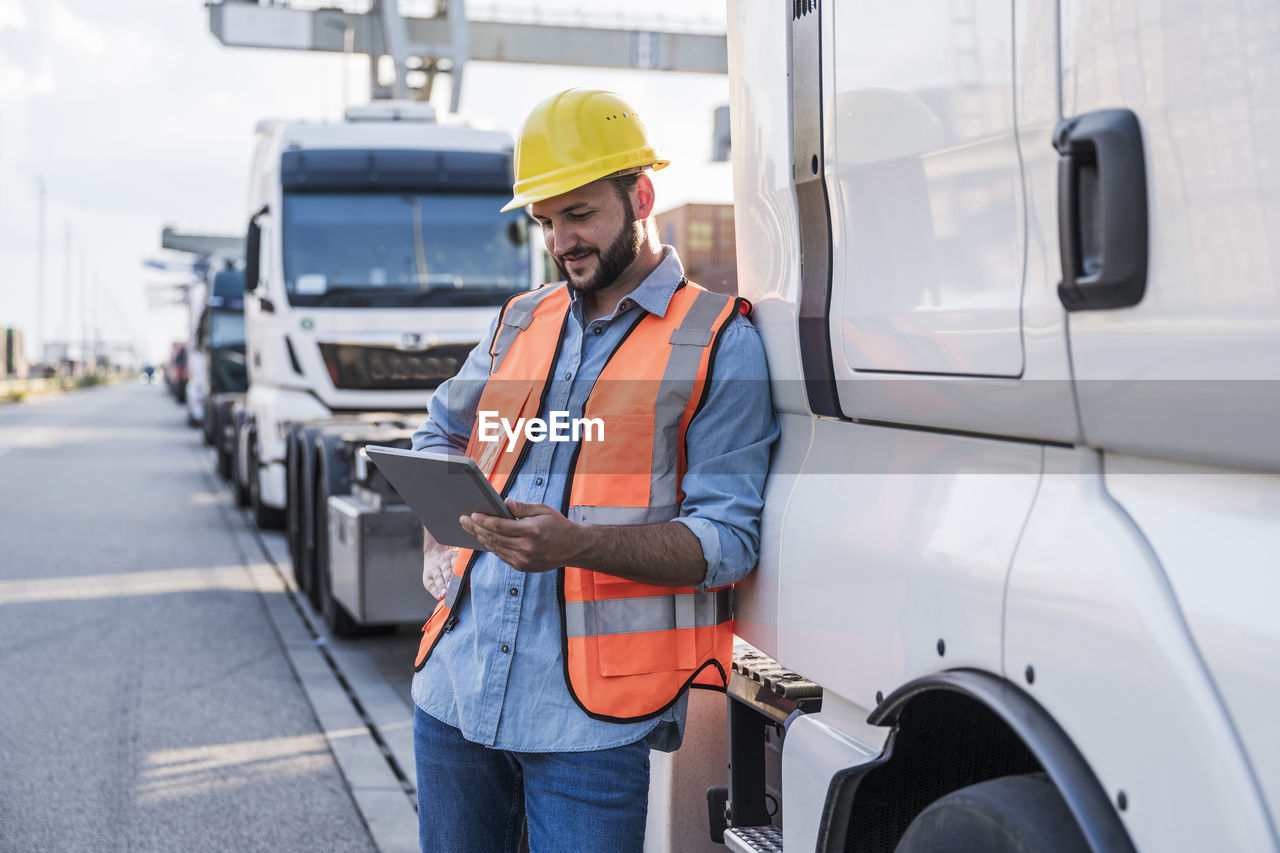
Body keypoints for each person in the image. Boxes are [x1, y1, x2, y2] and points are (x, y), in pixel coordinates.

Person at [409, 88, 777, 853]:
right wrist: (439, 533)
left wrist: (575, 544)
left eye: (579, 214)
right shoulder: (522, 319)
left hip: (591, 724)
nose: (560, 241)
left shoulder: (717, 340)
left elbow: (728, 541)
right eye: (545, 221)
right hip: (454, 691)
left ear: (639, 195)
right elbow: (438, 432)